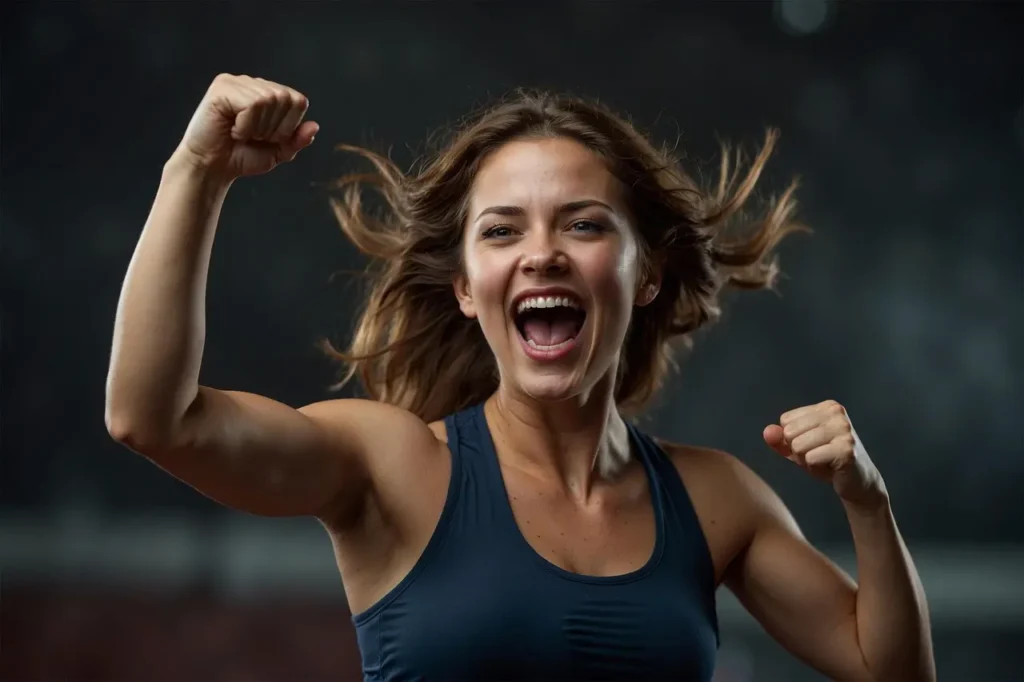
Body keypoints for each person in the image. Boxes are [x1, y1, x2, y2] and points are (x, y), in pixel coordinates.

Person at [105, 74, 936, 682]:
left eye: (582, 224)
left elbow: (888, 669)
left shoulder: (716, 500)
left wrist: (868, 499)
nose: (542, 252)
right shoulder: (395, 467)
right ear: (466, 288)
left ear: (644, 275)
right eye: (502, 231)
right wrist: (197, 172)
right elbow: (153, 419)